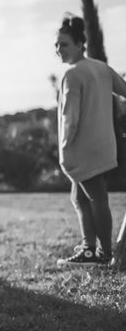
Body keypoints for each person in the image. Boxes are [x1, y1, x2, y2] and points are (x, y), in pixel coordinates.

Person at [54, 15, 126, 267]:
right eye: (57, 45)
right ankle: (88, 249)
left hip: (82, 148)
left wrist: (64, 146)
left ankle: (105, 255)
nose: (58, 50)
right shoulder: (101, 68)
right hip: (104, 146)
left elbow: (69, 117)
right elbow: (125, 90)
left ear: (79, 44)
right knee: (80, 198)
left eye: (63, 44)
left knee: (97, 198)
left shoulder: (72, 74)